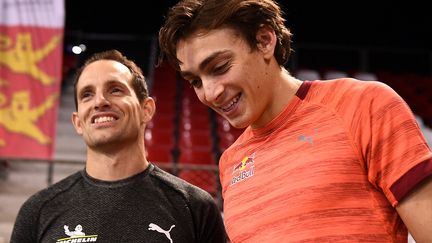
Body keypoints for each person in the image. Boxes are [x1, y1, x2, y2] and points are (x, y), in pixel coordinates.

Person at [158, 0, 432, 242]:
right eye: (195, 81)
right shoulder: (231, 162)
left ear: (265, 40)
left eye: (219, 68)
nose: (210, 93)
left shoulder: (364, 105)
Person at [10, 50, 227, 243]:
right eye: (87, 94)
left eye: (115, 90)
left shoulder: (194, 207)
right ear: (77, 122)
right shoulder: (38, 211)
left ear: (147, 109)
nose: (100, 101)